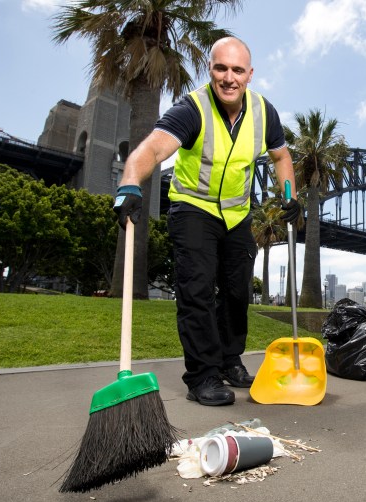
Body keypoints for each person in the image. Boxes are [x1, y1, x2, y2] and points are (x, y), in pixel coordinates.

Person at [112, 36, 300, 406]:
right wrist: (129, 184)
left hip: (236, 215)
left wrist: (290, 196)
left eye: (237, 70)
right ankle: (202, 376)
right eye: (221, 68)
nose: (229, 78)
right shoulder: (192, 109)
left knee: (236, 293)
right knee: (196, 292)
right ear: (210, 69)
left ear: (250, 74)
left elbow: (281, 157)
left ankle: (230, 361)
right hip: (193, 209)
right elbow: (151, 148)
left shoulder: (265, 113)